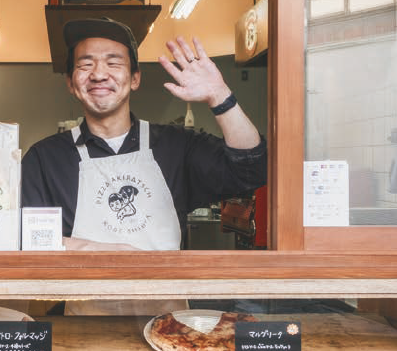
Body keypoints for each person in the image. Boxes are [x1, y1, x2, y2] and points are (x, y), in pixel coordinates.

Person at [21, 17, 267, 251]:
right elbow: (26, 238)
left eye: (113, 63)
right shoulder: (44, 161)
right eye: (85, 64)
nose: (98, 74)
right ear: (71, 83)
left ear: (135, 78)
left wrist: (220, 96)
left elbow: (251, 170)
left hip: (166, 294)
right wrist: (105, 253)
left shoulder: (177, 147)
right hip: (82, 295)